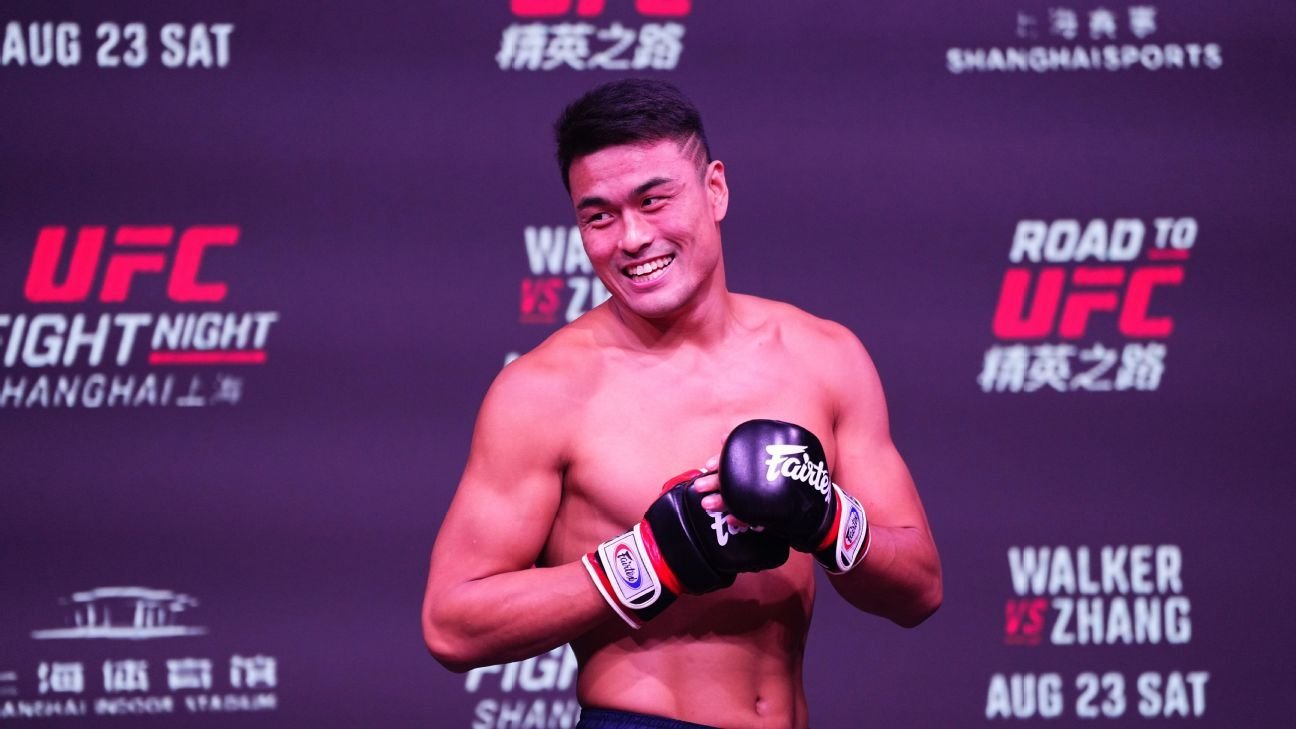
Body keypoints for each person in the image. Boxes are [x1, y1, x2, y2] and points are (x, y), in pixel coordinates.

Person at [422, 79, 941, 729]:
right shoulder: (543, 392)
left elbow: (920, 588)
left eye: (653, 200)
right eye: (599, 217)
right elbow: (452, 624)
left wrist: (829, 520)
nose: (632, 238)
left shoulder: (824, 357)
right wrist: (649, 561)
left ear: (715, 190)